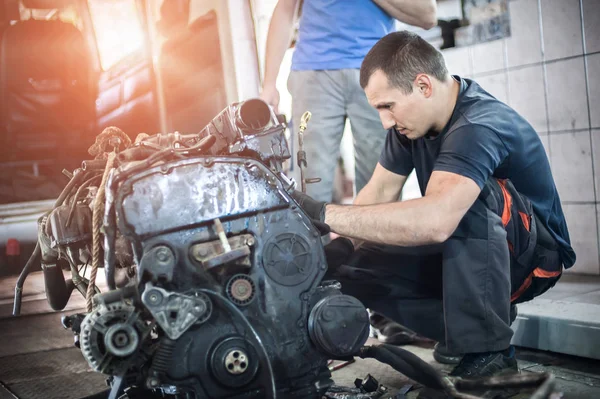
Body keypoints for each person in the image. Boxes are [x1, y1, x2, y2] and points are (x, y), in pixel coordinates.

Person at [293, 31, 576, 379]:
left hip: (532, 260)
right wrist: (336, 247)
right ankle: (458, 332)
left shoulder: (478, 124)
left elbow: (438, 220)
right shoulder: (409, 128)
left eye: (387, 106)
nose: (385, 121)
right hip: (479, 249)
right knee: (352, 267)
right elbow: (379, 194)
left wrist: (322, 212)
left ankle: (489, 349)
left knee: (462, 200)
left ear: (424, 86)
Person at [260, 0, 437, 203]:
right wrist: (269, 83)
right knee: (310, 188)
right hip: (314, 73)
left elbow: (428, 15)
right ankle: (314, 234)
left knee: (381, 187)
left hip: (379, 70)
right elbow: (285, 8)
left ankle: (369, 234)